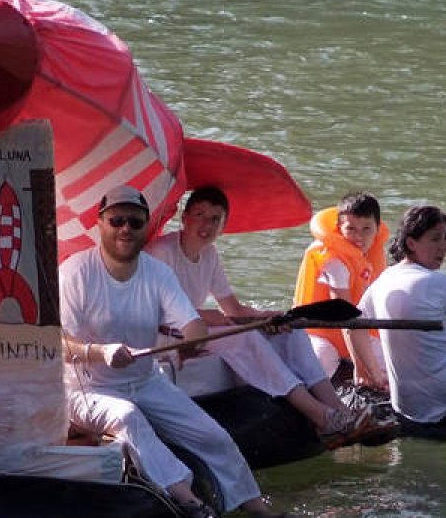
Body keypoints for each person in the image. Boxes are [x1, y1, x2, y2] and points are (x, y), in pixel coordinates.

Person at [60, 185, 283, 518]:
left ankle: (254, 504)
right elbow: (58, 343)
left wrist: (194, 340)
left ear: (146, 226)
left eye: (135, 223)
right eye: (117, 220)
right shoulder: (76, 272)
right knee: (127, 417)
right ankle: (187, 499)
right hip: (85, 388)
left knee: (215, 436)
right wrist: (100, 352)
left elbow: (192, 324)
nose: (125, 229)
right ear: (100, 223)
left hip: (145, 380)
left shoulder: (158, 274)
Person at [146, 186, 387, 448]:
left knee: (290, 331)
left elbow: (233, 310)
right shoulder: (162, 252)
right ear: (184, 217)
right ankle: (320, 416)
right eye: (199, 215)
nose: (206, 225)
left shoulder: (210, 255)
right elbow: (151, 309)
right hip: (164, 334)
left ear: (223, 225)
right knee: (243, 339)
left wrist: (268, 317)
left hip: (198, 328)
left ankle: (340, 409)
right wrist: (200, 315)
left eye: (215, 219)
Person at [358, 206, 446, 424]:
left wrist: (369, 372)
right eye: (435, 239)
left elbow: (352, 325)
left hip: (406, 405)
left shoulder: (383, 279)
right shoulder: (437, 282)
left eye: (445, 238)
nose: (443, 247)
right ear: (411, 243)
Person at [292, 192, 388, 389]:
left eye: (366, 229)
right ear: (339, 228)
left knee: (397, 363)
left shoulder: (372, 252)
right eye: (351, 229)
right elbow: (344, 317)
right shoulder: (334, 260)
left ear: (377, 229)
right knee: (318, 369)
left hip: (358, 333)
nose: (359, 237)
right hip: (320, 332)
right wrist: (361, 369)